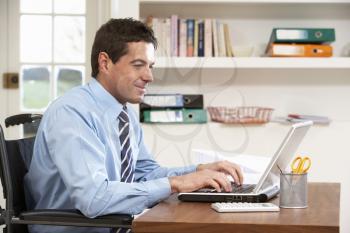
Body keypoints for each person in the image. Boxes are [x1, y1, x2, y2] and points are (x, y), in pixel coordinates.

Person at [24, 18, 243, 233]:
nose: (149, 76)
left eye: (150, 66)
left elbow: (143, 174)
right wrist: (175, 183)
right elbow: (93, 198)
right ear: (105, 63)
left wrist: (196, 172)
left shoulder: (123, 113)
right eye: (138, 65)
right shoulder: (72, 113)